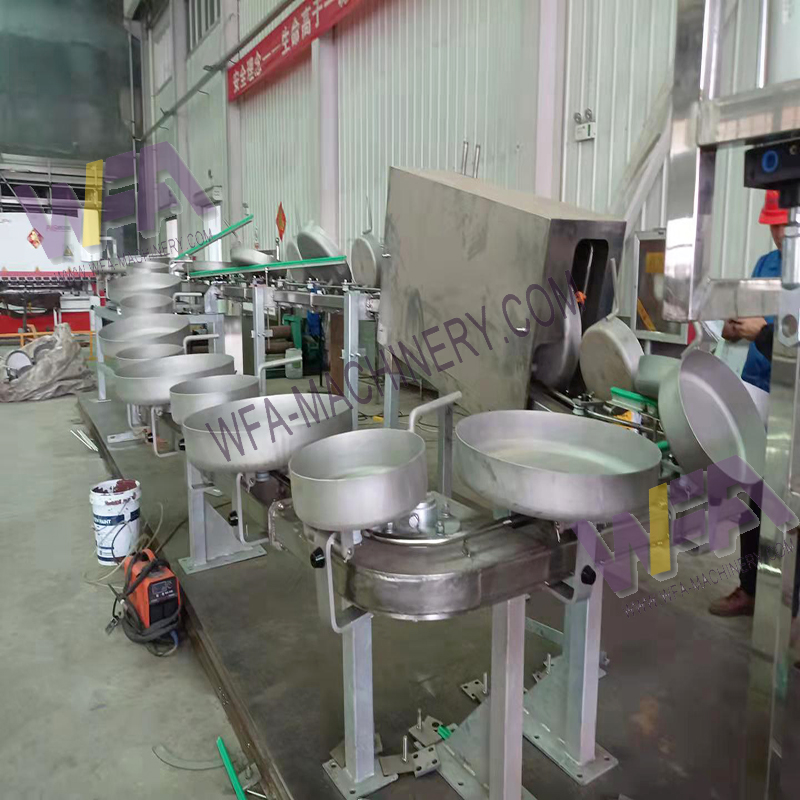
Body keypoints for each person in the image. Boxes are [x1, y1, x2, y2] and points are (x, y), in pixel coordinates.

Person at [709, 190, 785, 616]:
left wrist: (762, 333)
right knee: (754, 498)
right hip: (756, 392)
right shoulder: (766, 266)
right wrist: (734, 328)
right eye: (772, 225)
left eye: (783, 224)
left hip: (792, 400)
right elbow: (744, 321)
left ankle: (789, 608)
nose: (778, 233)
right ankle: (750, 588)